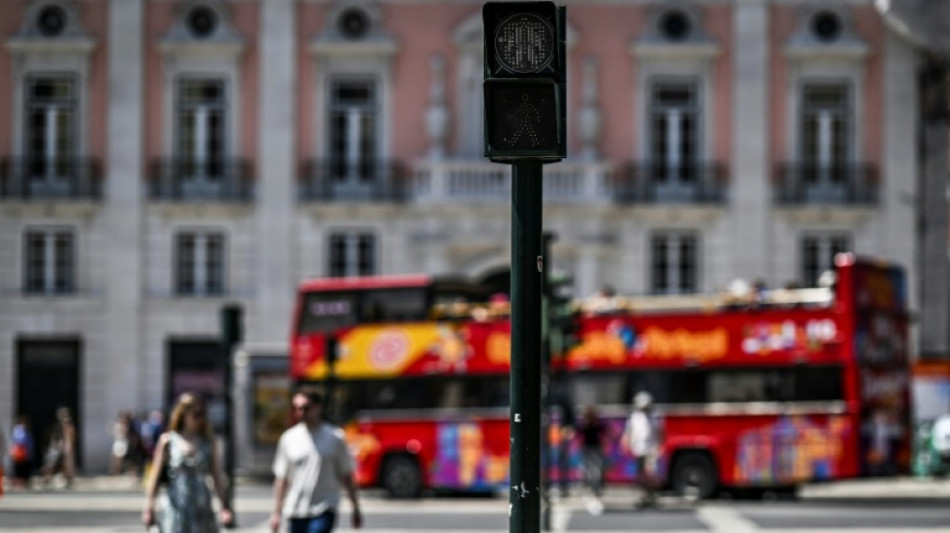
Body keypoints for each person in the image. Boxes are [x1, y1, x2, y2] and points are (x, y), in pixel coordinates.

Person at [269, 389, 362, 533]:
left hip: (324, 506)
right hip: (296, 508)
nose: (300, 413)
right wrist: (276, 512)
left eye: (305, 408)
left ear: (318, 407)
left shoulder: (335, 437)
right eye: (296, 409)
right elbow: (282, 478)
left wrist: (355, 507)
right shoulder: (288, 438)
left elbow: (346, 474)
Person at [142, 393, 233, 532]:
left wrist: (224, 506)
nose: (199, 418)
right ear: (183, 414)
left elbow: (217, 476)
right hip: (176, 505)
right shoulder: (168, 441)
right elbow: (154, 477)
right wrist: (149, 507)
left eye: (202, 414)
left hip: (201, 506)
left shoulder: (208, 442)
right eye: (196, 414)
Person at [623, 391, 662, 509]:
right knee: (640, 475)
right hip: (638, 450)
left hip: (651, 450)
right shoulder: (634, 417)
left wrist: (659, 448)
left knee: (650, 474)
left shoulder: (655, 417)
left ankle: (651, 496)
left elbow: (660, 433)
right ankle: (643, 496)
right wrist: (627, 444)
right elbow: (629, 432)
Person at [40, 407, 76, 488]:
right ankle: (47, 479)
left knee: (67, 465)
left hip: (65, 449)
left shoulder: (69, 427)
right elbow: (55, 438)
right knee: (52, 465)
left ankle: (68, 480)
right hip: (58, 449)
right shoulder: (58, 427)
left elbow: (71, 438)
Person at [9, 415, 35, 490]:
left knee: (24, 467)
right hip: (20, 451)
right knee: (19, 467)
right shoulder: (18, 430)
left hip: (25, 452)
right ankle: (18, 482)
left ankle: (23, 481)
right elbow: (18, 441)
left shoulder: (27, 431)